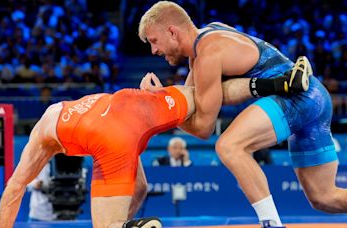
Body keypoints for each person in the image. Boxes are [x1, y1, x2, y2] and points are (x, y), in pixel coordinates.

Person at [138, 1, 344, 228]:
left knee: (229, 146)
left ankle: (272, 224)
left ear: (172, 32)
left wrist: (163, 104)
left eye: (154, 41)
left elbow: (203, 128)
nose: (154, 51)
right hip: (315, 94)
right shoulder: (212, 33)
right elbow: (193, 99)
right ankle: (280, 84)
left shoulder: (208, 55)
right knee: (324, 198)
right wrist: (166, 97)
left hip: (296, 99)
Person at [0, 84, 196, 228]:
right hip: (124, 107)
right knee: (194, 95)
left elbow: (14, 188)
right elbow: (140, 187)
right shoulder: (65, 108)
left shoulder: (41, 138)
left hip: (102, 133)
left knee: (104, 225)